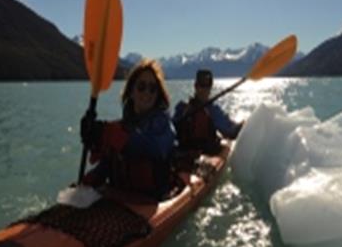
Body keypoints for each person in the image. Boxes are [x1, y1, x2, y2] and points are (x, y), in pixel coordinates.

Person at [80, 59, 176, 200]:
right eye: (141, 86)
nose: (147, 93)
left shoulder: (164, 126)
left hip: (151, 201)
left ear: (158, 95)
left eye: (153, 88)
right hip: (120, 198)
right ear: (131, 91)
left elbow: (156, 148)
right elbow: (107, 163)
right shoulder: (122, 126)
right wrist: (87, 183)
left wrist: (110, 134)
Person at [173, 69, 243, 156]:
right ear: (196, 86)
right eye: (202, 85)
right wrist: (244, 125)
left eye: (207, 86)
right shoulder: (184, 109)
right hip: (201, 154)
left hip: (192, 155)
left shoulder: (181, 107)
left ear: (210, 88)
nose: (205, 89)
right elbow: (231, 132)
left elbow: (230, 132)